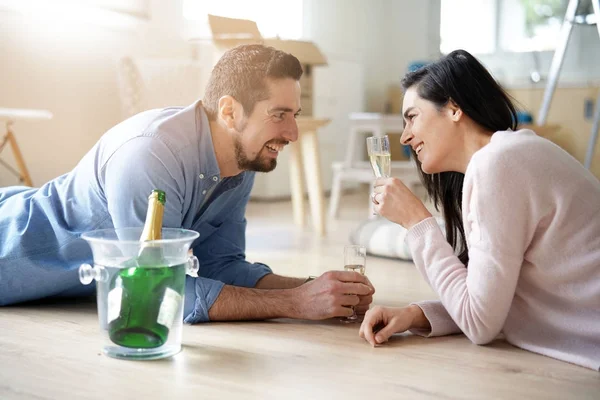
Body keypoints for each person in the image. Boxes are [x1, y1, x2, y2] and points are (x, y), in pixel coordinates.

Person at [0, 44, 374, 322]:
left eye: (294, 115)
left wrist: (319, 290)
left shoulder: (241, 162)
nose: (292, 132)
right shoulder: (149, 154)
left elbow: (221, 266)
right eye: (279, 115)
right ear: (229, 111)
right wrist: (296, 304)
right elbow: (153, 292)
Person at [359, 49, 600, 370]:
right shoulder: (509, 153)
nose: (404, 136)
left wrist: (416, 222)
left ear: (454, 108)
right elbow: (491, 297)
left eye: (412, 116)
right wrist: (416, 315)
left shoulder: (498, 164)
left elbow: (480, 325)